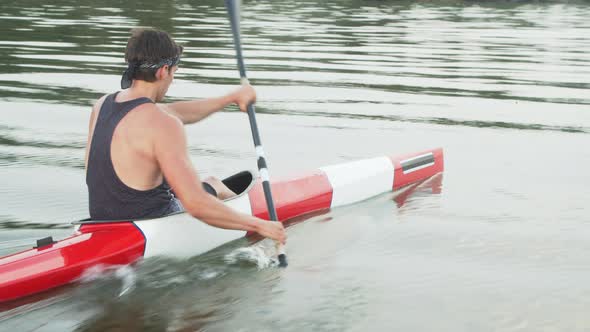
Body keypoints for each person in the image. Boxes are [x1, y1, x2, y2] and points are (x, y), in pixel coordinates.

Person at [84, 28, 286, 245]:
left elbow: (177, 111)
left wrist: (231, 98)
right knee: (213, 186)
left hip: (102, 223)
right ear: (163, 71)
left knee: (208, 183)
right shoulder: (162, 123)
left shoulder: (103, 104)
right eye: (174, 73)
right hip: (150, 227)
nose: (171, 80)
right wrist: (258, 224)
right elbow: (196, 204)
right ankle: (253, 227)